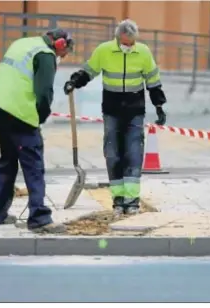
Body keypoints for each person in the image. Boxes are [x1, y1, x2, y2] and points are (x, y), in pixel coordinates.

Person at [64, 19, 167, 216]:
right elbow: (89, 71)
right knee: (112, 153)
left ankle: (132, 200)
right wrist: (74, 82)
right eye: (126, 43)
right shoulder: (104, 51)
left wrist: (159, 106)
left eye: (132, 43)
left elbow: (153, 81)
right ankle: (118, 199)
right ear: (118, 38)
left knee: (134, 153)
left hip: (135, 111)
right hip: (112, 111)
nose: (129, 46)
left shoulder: (143, 52)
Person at [0, 28, 74, 233]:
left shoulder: (23, 43)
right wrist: (40, 118)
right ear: (60, 44)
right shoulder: (45, 54)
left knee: (7, 160)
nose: (62, 57)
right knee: (33, 164)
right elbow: (44, 92)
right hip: (19, 113)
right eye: (64, 53)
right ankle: (39, 218)